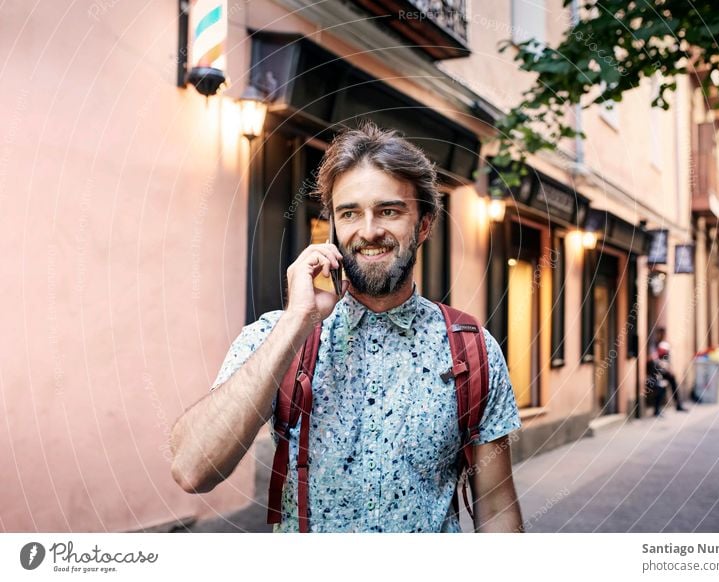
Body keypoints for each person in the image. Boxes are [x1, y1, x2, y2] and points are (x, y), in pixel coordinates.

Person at [169, 122, 523, 532]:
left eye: (389, 210)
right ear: (334, 226)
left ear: (424, 225)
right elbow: (193, 469)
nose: (369, 230)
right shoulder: (278, 335)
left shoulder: (471, 349)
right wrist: (295, 323)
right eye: (350, 213)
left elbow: (496, 506)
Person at [649, 327, 687, 416]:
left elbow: (667, 360)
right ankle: (657, 410)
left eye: (663, 334)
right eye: (660, 334)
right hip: (656, 370)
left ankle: (678, 405)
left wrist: (669, 369)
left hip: (664, 370)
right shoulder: (654, 345)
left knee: (673, 382)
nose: (661, 336)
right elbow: (654, 358)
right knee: (660, 386)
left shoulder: (665, 345)